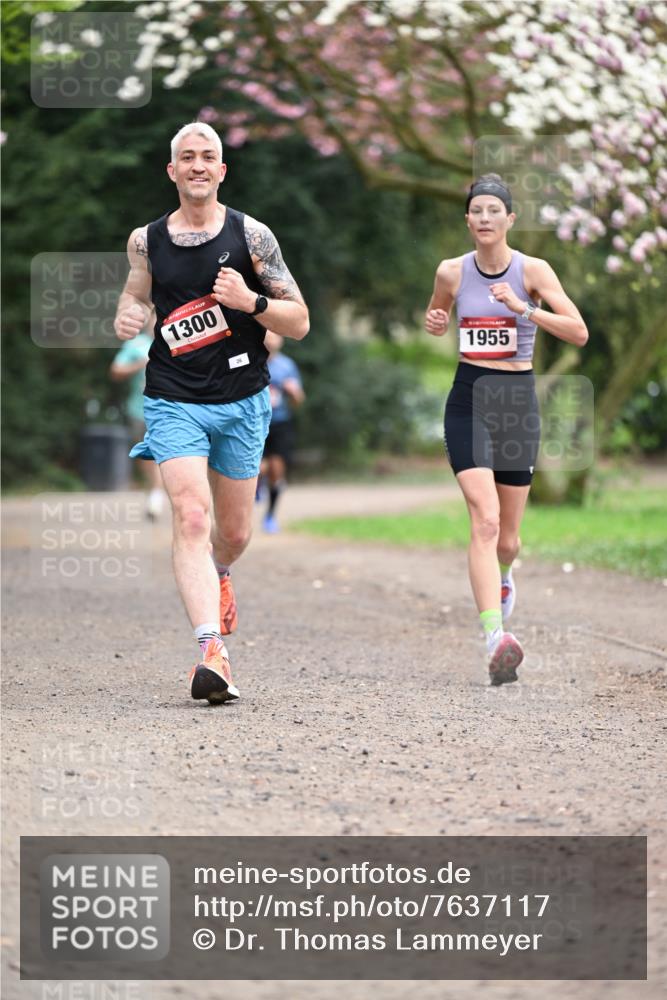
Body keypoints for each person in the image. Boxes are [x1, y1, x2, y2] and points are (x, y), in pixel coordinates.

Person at [113, 122, 309, 704]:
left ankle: (221, 573)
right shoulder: (145, 240)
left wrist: (251, 302)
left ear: (222, 171)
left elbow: (298, 320)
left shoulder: (253, 236)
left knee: (233, 533)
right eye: (186, 157)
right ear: (171, 171)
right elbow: (136, 291)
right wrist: (127, 312)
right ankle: (211, 652)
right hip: (173, 397)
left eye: (209, 157)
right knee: (191, 518)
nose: (198, 165)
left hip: (243, 401)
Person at [425, 173, 588, 685]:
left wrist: (527, 310)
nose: (486, 218)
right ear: (468, 221)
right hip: (469, 397)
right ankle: (495, 637)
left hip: (517, 402)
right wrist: (434, 321)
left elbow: (579, 331)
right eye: (477, 211)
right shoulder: (451, 271)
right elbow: (440, 312)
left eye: (495, 210)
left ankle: (505, 575)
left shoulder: (533, 270)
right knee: (486, 519)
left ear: (510, 219)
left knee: (509, 540)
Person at [109, 314, 166, 520]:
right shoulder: (137, 344)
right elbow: (116, 371)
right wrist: (140, 364)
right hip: (139, 411)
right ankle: (156, 492)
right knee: (147, 459)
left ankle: (157, 497)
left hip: (170, 411)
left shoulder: (175, 342)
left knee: (165, 456)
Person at [259, 330, 305, 533]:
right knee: (259, 467)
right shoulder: (251, 360)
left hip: (279, 423)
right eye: (267, 335)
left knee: (276, 470)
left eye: (275, 336)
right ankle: (257, 485)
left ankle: (270, 516)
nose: (271, 339)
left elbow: (298, 400)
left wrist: (293, 392)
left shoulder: (287, 365)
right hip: (254, 423)